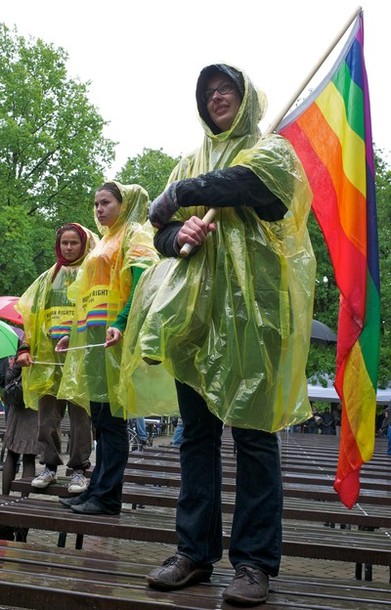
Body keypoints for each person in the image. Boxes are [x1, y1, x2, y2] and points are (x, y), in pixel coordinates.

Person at [119, 64, 316, 605]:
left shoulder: (270, 151)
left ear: (245, 98)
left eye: (226, 88)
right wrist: (174, 230)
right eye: (208, 92)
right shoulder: (191, 160)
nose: (217, 96)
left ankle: (254, 564)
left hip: (255, 317)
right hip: (196, 319)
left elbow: (256, 190)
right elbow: (158, 230)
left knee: (253, 436)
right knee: (196, 438)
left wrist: (183, 193)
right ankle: (193, 553)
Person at [56, 181, 158, 515]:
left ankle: (108, 496)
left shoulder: (134, 234)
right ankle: (96, 488)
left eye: (106, 203)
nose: (99, 209)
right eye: (96, 203)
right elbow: (88, 291)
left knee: (113, 419)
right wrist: (75, 333)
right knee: (100, 416)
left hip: (114, 334)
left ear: (124, 204)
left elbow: (142, 278)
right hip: (93, 334)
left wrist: (124, 321)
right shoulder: (106, 239)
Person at [16, 223, 99, 493]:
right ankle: (49, 466)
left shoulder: (91, 274)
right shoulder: (47, 279)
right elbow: (30, 316)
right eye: (64, 242)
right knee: (47, 418)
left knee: (79, 419)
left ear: (84, 244)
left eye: (74, 242)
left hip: (78, 358)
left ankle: (78, 469)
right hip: (47, 359)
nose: (69, 247)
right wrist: (24, 348)